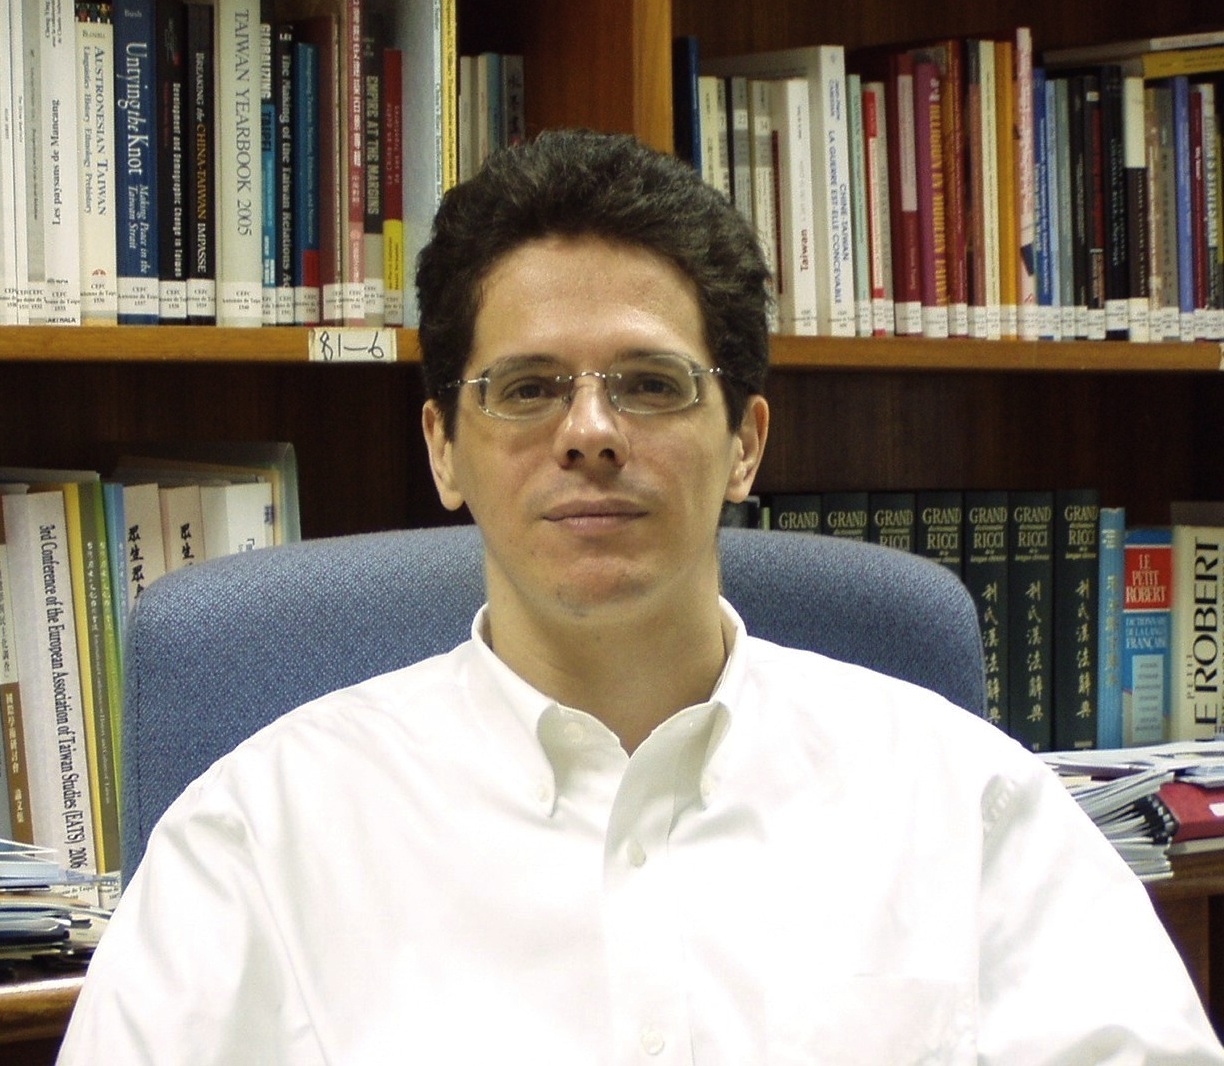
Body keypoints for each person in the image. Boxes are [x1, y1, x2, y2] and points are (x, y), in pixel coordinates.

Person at [59, 130, 1223, 1064]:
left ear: (746, 443)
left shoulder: (970, 807)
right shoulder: (257, 838)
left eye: (651, 384)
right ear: (444, 449)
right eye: (527, 388)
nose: (590, 433)